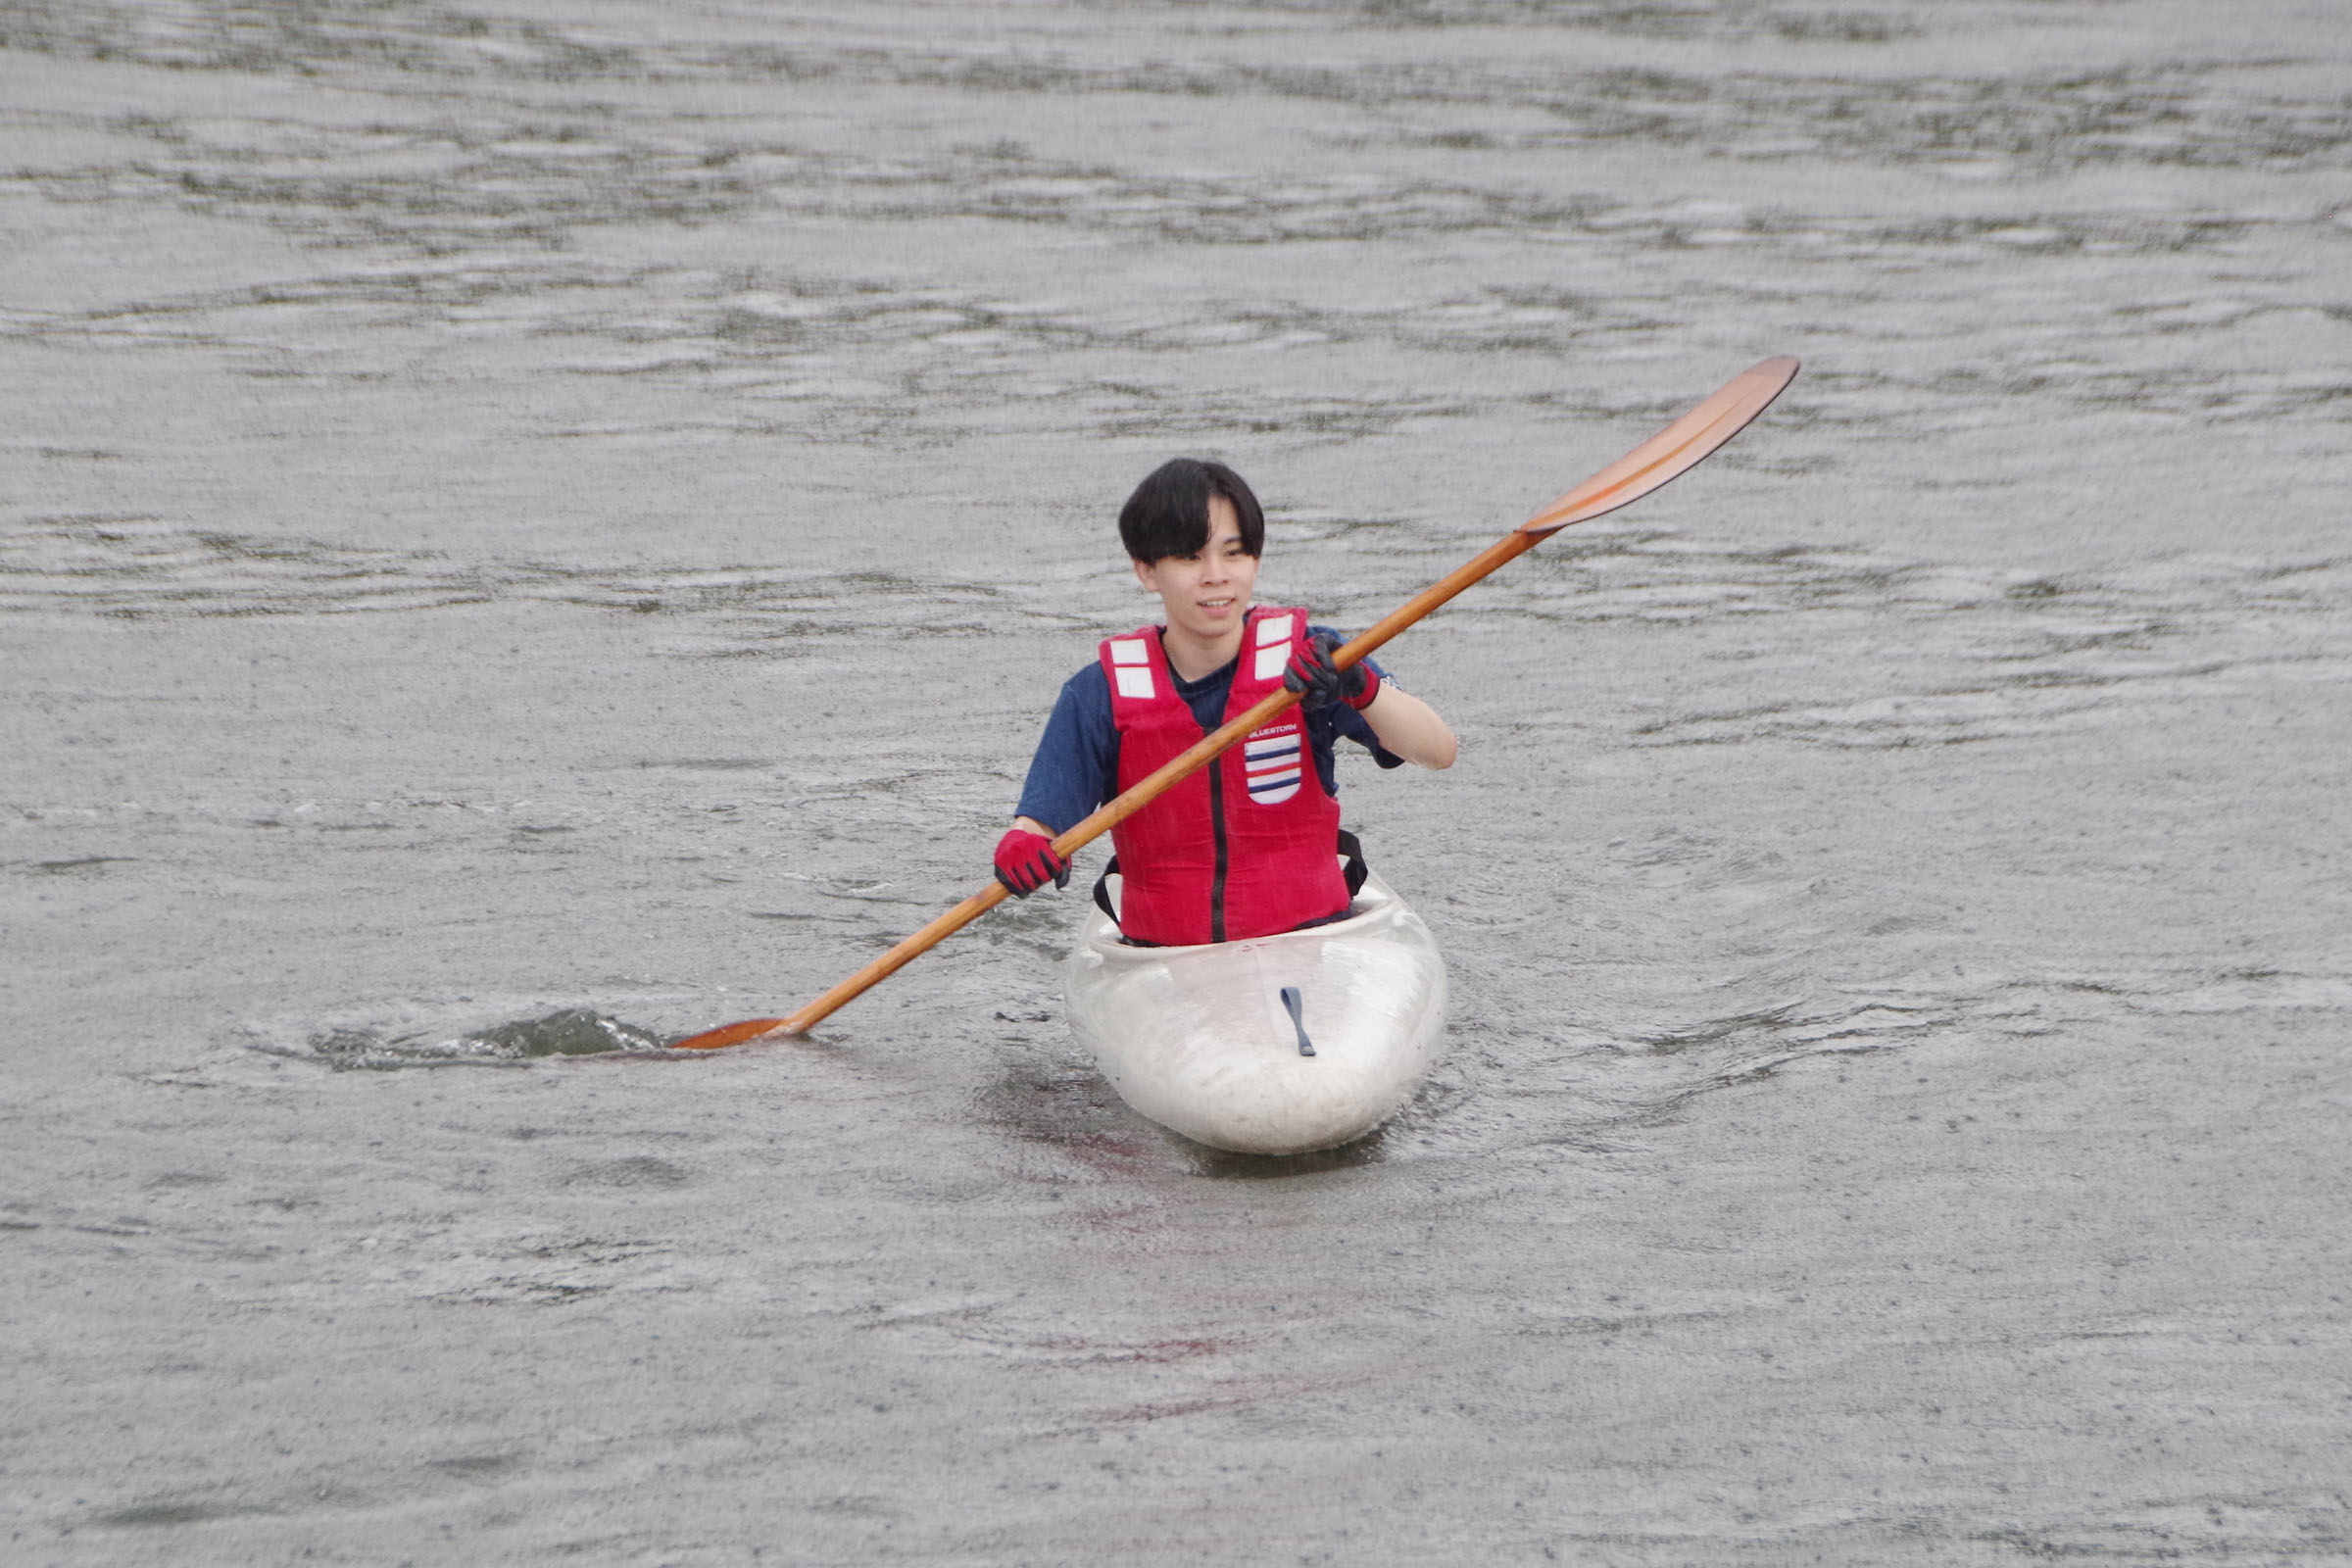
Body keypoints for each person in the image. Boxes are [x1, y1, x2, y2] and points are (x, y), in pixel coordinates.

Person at [993, 458, 1455, 946]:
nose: (1216, 576)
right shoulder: (1098, 695)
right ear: (1147, 570)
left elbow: (1439, 750)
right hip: (1163, 957)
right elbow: (1040, 824)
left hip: (1313, 942)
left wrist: (1360, 687)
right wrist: (1025, 844)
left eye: (1233, 554)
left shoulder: (1315, 661)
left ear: (1254, 560)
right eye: (1191, 558)